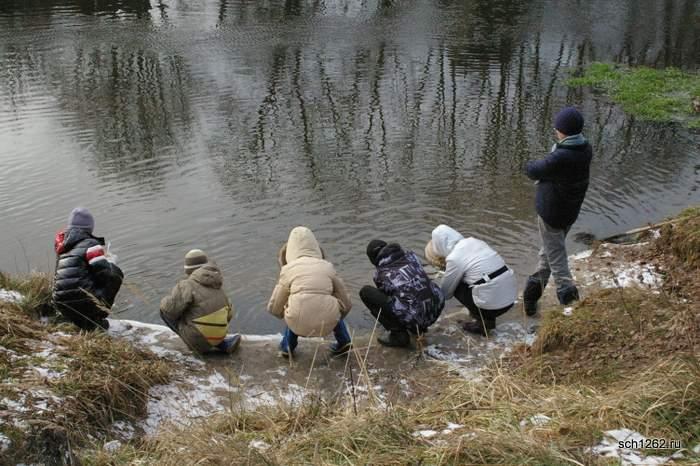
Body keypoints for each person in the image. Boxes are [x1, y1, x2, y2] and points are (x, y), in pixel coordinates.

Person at [523, 107, 593, 315]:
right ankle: (531, 298)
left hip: (552, 214)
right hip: (569, 211)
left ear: (563, 131)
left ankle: (570, 303)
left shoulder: (561, 157)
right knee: (548, 254)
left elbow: (533, 170)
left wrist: (528, 164)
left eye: (558, 128)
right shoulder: (585, 148)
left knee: (556, 260)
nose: (556, 130)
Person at [268, 226, 353, 358]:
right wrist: (339, 315)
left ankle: (287, 346)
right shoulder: (328, 267)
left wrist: (283, 313)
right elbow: (346, 302)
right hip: (327, 323)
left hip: (298, 322)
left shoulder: (288, 270)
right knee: (333, 305)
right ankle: (344, 341)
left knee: (294, 305)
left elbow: (274, 308)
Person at [425, 225, 517, 336]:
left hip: (493, 307)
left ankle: (483, 323)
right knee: (479, 279)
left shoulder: (454, 258)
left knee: (456, 286)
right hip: (511, 298)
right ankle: (484, 315)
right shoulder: (476, 242)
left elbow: (446, 293)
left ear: (439, 246)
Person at [360, 240, 445, 347]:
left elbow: (388, 302)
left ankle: (399, 335)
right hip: (436, 309)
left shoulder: (380, 274)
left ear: (373, 259)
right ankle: (419, 328)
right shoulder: (411, 256)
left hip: (417, 318)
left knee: (366, 292)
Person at [52, 207, 124, 331]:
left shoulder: (62, 246)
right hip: (84, 304)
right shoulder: (90, 244)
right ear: (90, 227)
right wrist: (111, 262)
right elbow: (105, 275)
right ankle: (95, 320)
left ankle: (76, 320)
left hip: (61, 305)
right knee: (115, 274)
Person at [160, 249, 241, 354]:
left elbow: (170, 310)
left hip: (198, 341)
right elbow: (229, 315)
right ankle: (222, 344)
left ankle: (193, 344)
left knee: (165, 310)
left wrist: (164, 300)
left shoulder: (186, 285)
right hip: (220, 335)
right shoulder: (217, 283)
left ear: (188, 270)